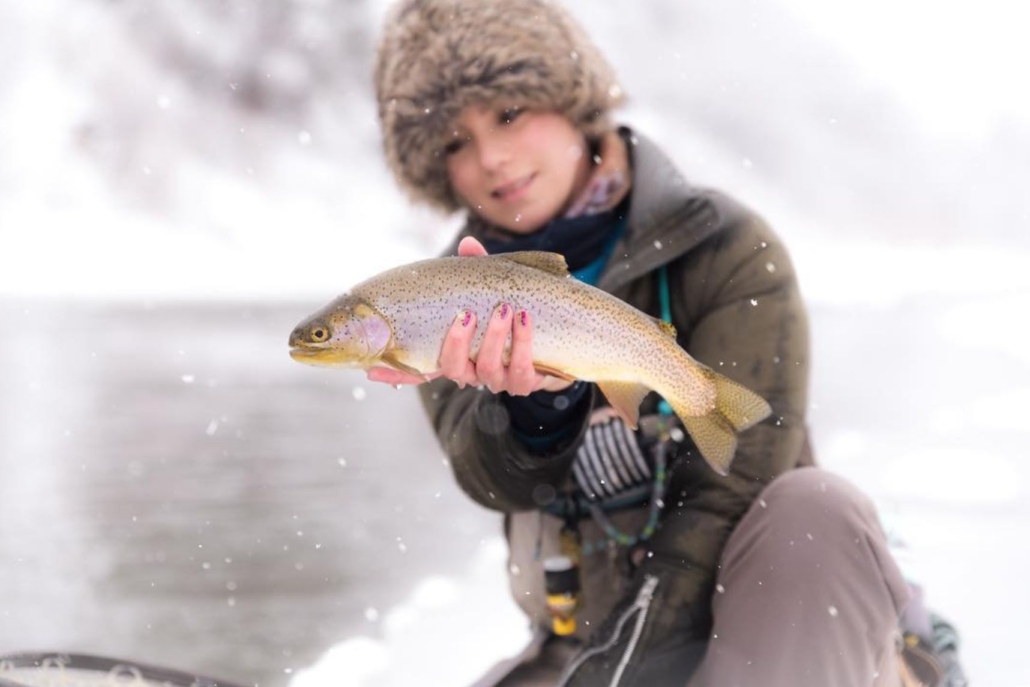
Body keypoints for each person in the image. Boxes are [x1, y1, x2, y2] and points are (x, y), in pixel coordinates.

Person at [367, 0, 965, 685]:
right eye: (452, 143)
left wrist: (628, 666)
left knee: (816, 511)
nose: (491, 158)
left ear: (570, 100)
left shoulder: (727, 248)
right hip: (588, 638)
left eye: (507, 114)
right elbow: (493, 481)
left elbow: (732, 486)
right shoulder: (437, 300)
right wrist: (536, 413)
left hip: (765, 633)